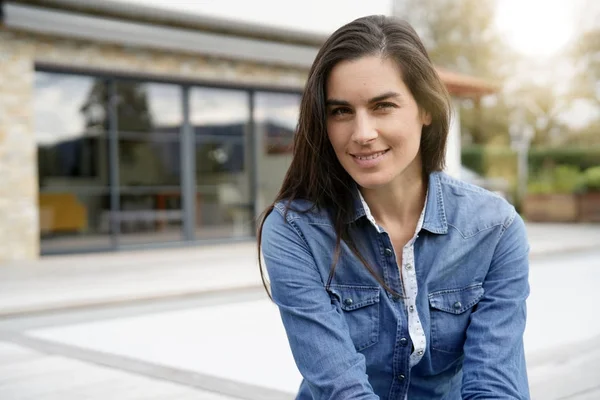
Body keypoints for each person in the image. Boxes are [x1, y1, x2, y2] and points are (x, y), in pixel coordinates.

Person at [258, 15, 530, 400]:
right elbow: (341, 389)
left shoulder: (495, 229)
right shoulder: (294, 230)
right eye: (341, 111)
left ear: (425, 109)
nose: (362, 133)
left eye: (382, 106)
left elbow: (495, 384)